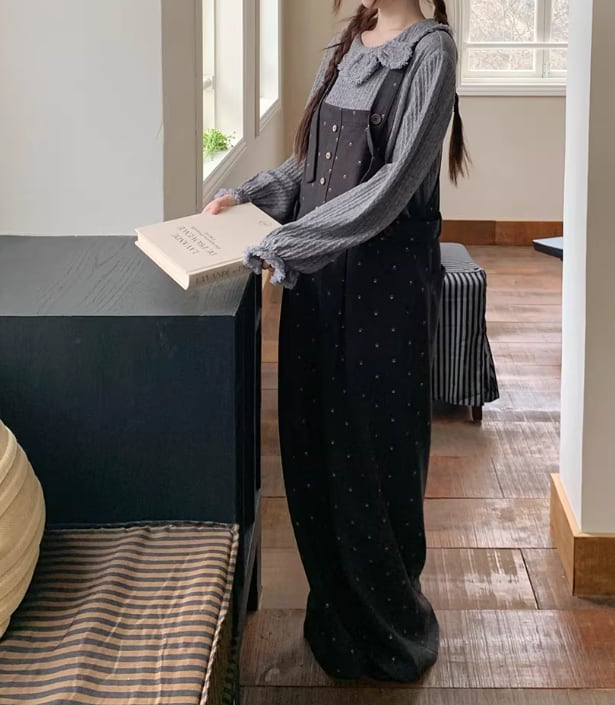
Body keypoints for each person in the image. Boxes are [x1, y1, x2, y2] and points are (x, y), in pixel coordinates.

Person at [204, 0, 467, 682]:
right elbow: (307, 167)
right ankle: (338, 615)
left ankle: (390, 632)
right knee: (313, 443)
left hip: (384, 293)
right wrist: (248, 197)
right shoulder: (346, 43)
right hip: (318, 286)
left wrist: (287, 242)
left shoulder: (431, 53)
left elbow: (391, 186)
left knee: (376, 454)